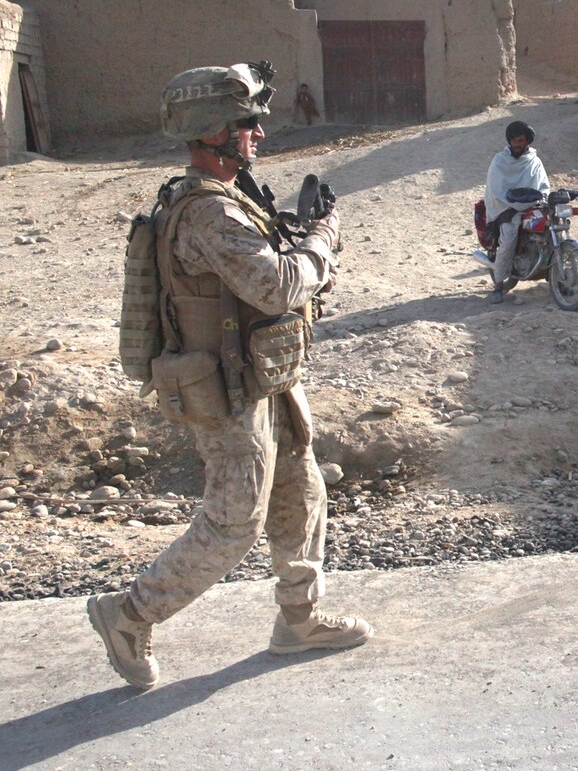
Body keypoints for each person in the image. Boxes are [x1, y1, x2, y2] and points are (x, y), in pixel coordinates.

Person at [87, 61, 369, 690]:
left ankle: (300, 618)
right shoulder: (208, 213)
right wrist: (322, 240)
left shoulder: (230, 200)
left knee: (302, 492)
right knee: (233, 521)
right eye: (248, 123)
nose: (258, 135)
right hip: (226, 395)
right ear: (213, 130)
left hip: (261, 380)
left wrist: (300, 233)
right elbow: (275, 285)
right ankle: (128, 614)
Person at [483, 120, 550, 303]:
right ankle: (498, 285)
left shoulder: (534, 161)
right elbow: (496, 190)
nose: (518, 145)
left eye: (521, 141)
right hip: (507, 207)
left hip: (531, 205)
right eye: (515, 141)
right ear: (509, 142)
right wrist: (515, 202)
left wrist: (542, 199)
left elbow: (543, 184)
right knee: (509, 236)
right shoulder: (500, 161)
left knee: (550, 226)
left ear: (527, 141)